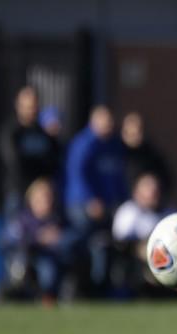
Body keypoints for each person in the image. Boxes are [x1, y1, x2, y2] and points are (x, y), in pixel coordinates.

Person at [64, 105, 127, 295]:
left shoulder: (114, 145)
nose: (108, 125)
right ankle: (78, 287)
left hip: (109, 207)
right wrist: (91, 200)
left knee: (109, 245)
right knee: (83, 244)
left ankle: (105, 288)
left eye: (110, 121)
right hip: (83, 207)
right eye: (103, 121)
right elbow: (77, 174)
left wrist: (124, 202)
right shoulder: (85, 143)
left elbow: (119, 176)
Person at [0, 177, 69, 305]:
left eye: (48, 198)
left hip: (49, 260)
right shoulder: (23, 220)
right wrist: (37, 238)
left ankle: (47, 297)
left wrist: (58, 239)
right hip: (25, 260)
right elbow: (7, 240)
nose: (45, 202)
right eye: (40, 199)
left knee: (50, 269)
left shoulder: (56, 220)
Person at [0, 86, 62, 218]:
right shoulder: (11, 131)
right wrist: (32, 187)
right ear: (18, 105)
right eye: (27, 106)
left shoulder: (43, 132)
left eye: (34, 106)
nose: (31, 110)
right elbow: (13, 162)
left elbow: (53, 160)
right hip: (18, 192)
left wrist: (54, 138)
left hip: (42, 196)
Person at [110, 172, 169, 297]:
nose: (153, 193)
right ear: (137, 192)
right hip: (134, 260)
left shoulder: (168, 212)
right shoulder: (129, 212)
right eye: (148, 189)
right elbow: (120, 242)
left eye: (156, 189)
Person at [121, 111, 173, 198]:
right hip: (119, 204)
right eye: (131, 133)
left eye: (139, 130)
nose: (136, 135)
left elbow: (167, 178)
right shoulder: (116, 152)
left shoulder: (150, 153)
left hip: (148, 206)